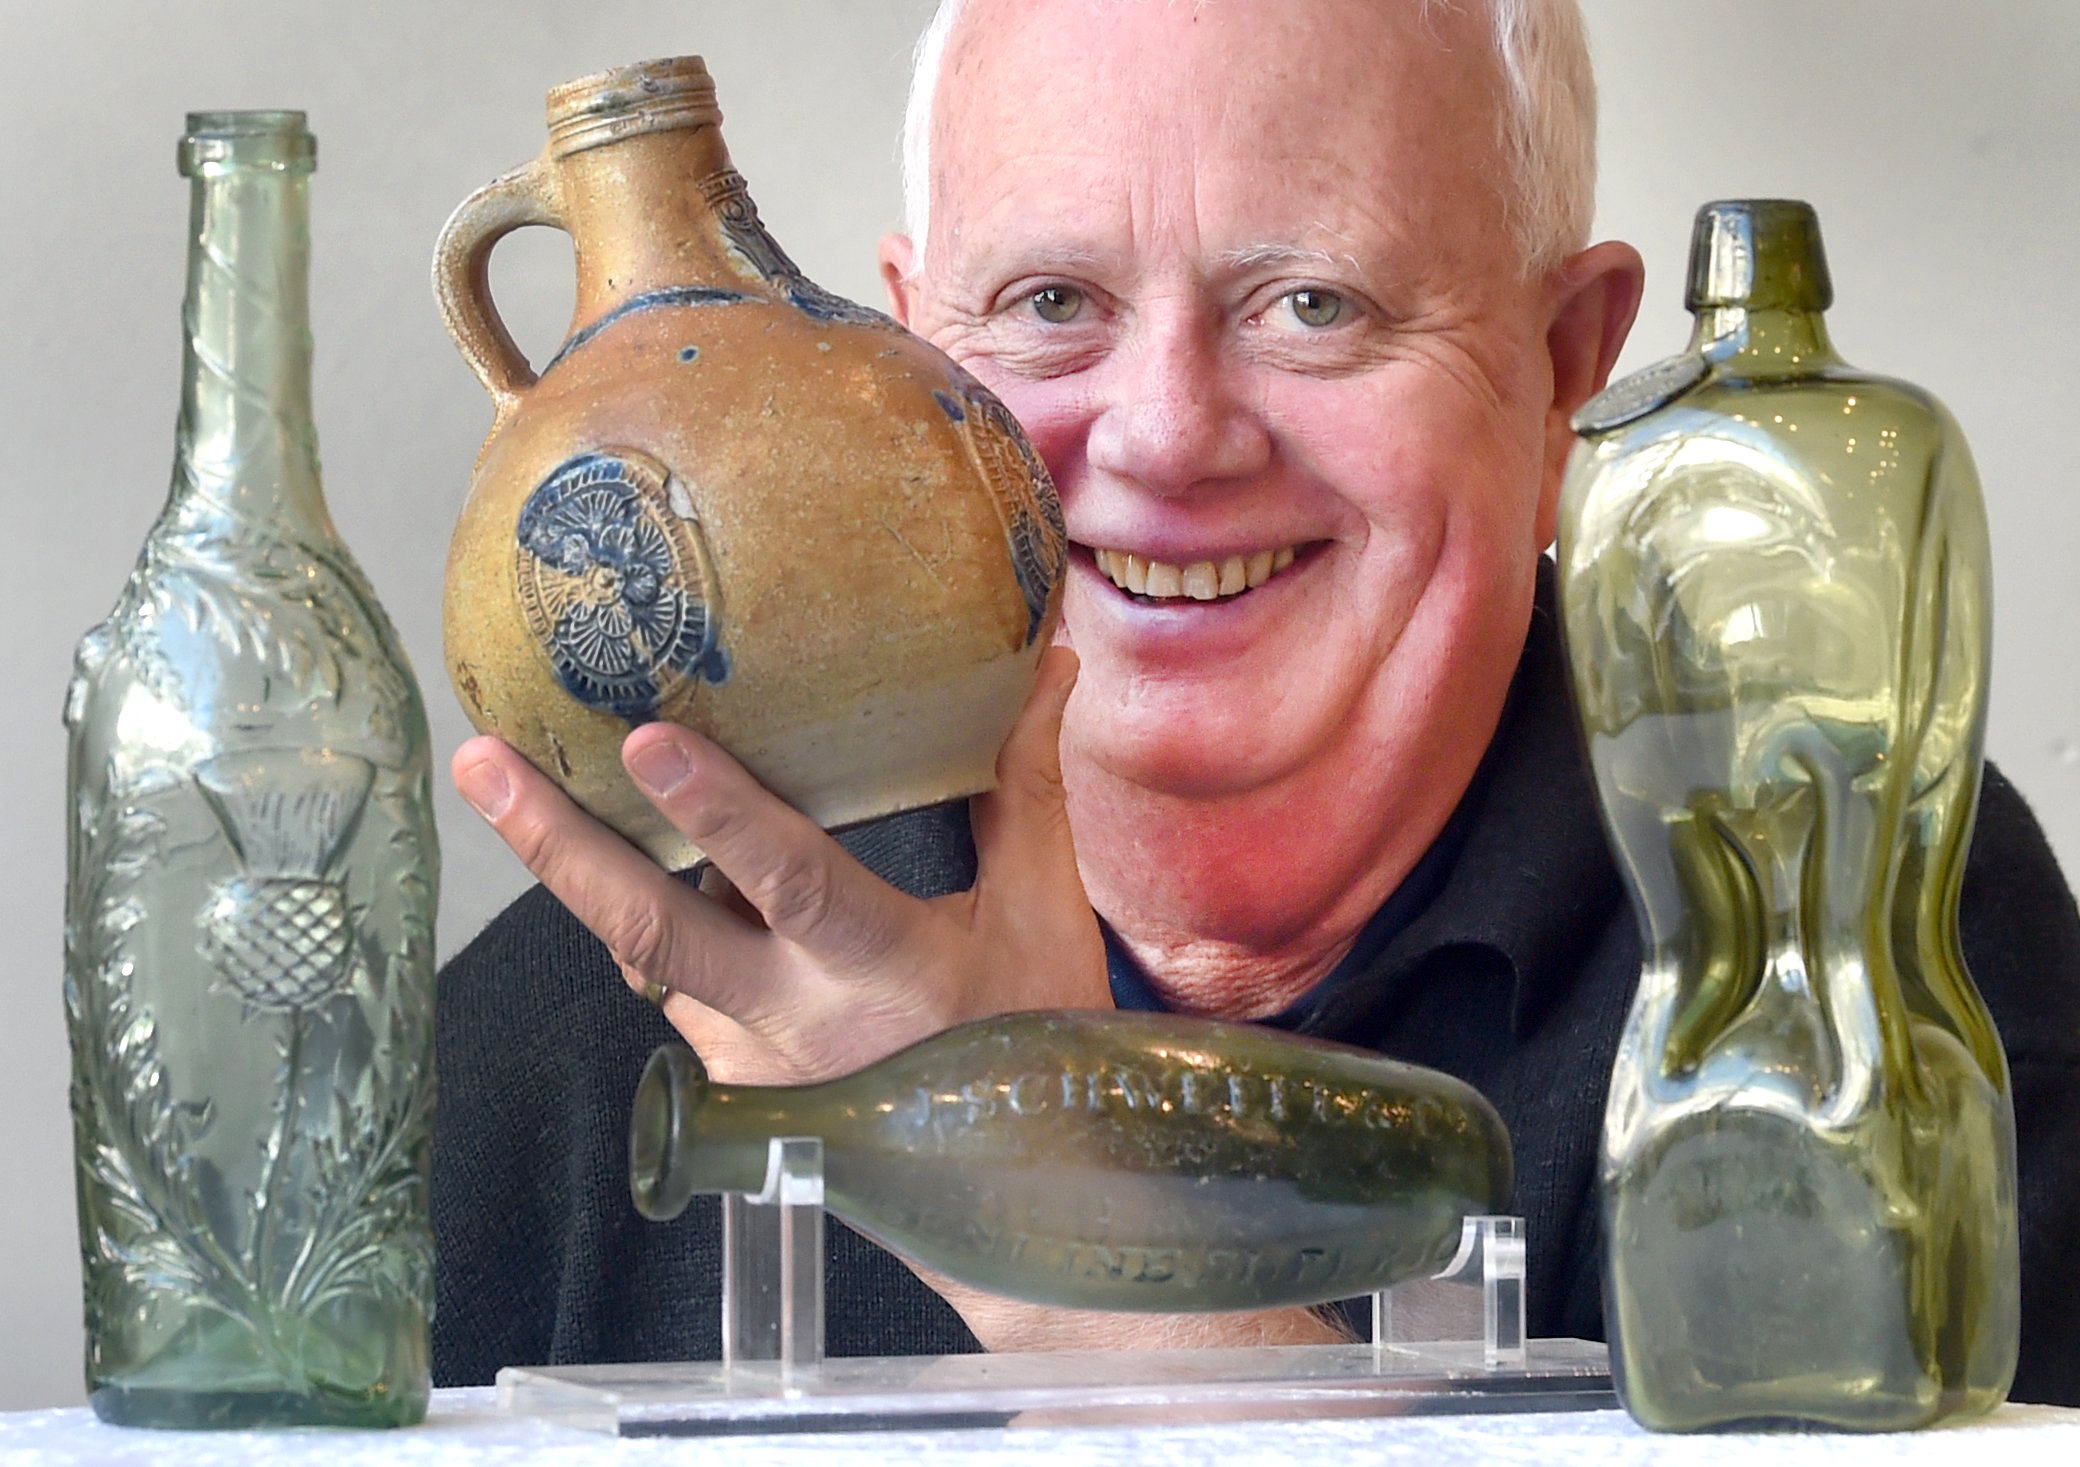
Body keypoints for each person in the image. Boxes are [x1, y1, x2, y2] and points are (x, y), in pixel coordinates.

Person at [430, 0, 2080, 1402]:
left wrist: (1038, 1201)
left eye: (1314, 305)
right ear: (906, 342)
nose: (1165, 437)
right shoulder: (618, 1007)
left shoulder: (1838, 900)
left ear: (1567, 363)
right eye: (1051, 307)